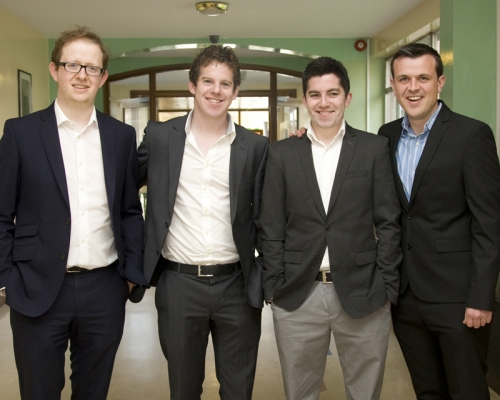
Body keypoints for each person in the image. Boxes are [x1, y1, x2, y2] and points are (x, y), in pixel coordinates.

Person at [0, 26, 148, 400]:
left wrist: (130, 276)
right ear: (55, 70)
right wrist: (6, 279)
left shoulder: (120, 136)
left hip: (105, 288)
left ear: (103, 77)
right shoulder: (20, 133)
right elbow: (1, 213)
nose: (82, 75)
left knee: (93, 392)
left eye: (91, 68)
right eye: (72, 65)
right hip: (35, 287)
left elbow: (130, 211)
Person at [260, 56, 402, 400]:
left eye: (333, 93)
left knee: (365, 392)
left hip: (365, 291)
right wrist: (273, 287)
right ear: (305, 99)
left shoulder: (373, 149)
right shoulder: (281, 154)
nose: (324, 103)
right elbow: (271, 225)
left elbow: (388, 221)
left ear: (347, 97)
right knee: (300, 392)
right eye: (315, 94)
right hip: (297, 293)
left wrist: (387, 285)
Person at [136, 45, 268, 400]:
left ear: (235, 92)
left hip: (237, 285)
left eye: (225, 84)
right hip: (179, 284)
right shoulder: (160, 137)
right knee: (183, 390)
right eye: (208, 81)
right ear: (192, 85)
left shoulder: (256, 147)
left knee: (238, 391)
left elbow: (269, 214)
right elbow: (121, 190)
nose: (216, 91)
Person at [378, 43, 500, 399]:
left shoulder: (471, 135)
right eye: (404, 79)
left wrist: (481, 297)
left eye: (423, 78)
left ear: (440, 82)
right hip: (406, 297)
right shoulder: (386, 136)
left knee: (467, 390)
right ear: (393, 85)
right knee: (427, 391)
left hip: (459, 298)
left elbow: (489, 223)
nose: (413, 87)